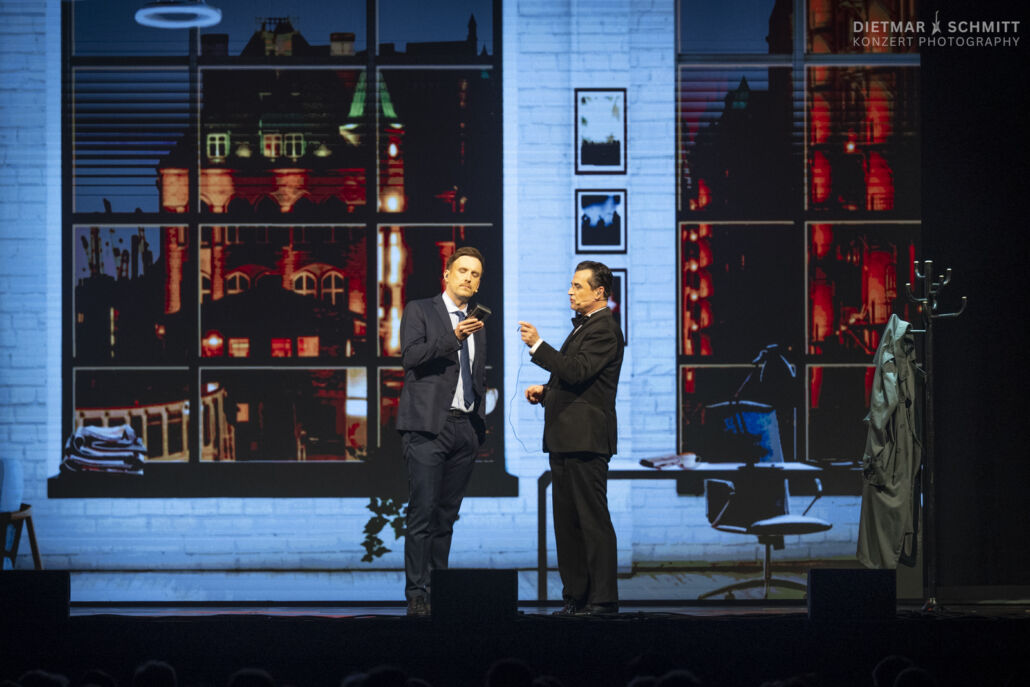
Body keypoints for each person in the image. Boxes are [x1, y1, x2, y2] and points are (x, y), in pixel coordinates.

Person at [519, 260, 624, 616]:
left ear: (599, 292)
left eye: (578, 286)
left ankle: (602, 601)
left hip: (586, 440)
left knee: (591, 522)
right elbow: (579, 383)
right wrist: (547, 392)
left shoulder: (604, 328)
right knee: (567, 525)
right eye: (571, 284)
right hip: (566, 438)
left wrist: (538, 345)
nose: (570, 291)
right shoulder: (586, 327)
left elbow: (578, 371)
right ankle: (576, 598)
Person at [397, 246, 488, 616]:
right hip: (428, 428)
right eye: (462, 271)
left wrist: (478, 421)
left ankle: (439, 590)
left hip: (464, 429)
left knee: (446, 517)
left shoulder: (477, 323)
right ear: (447, 274)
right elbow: (410, 358)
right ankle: (417, 594)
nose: (468, 278)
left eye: (475, 275)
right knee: (423, 514)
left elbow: (475, 374)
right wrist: (454, 336)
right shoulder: (420, 310)